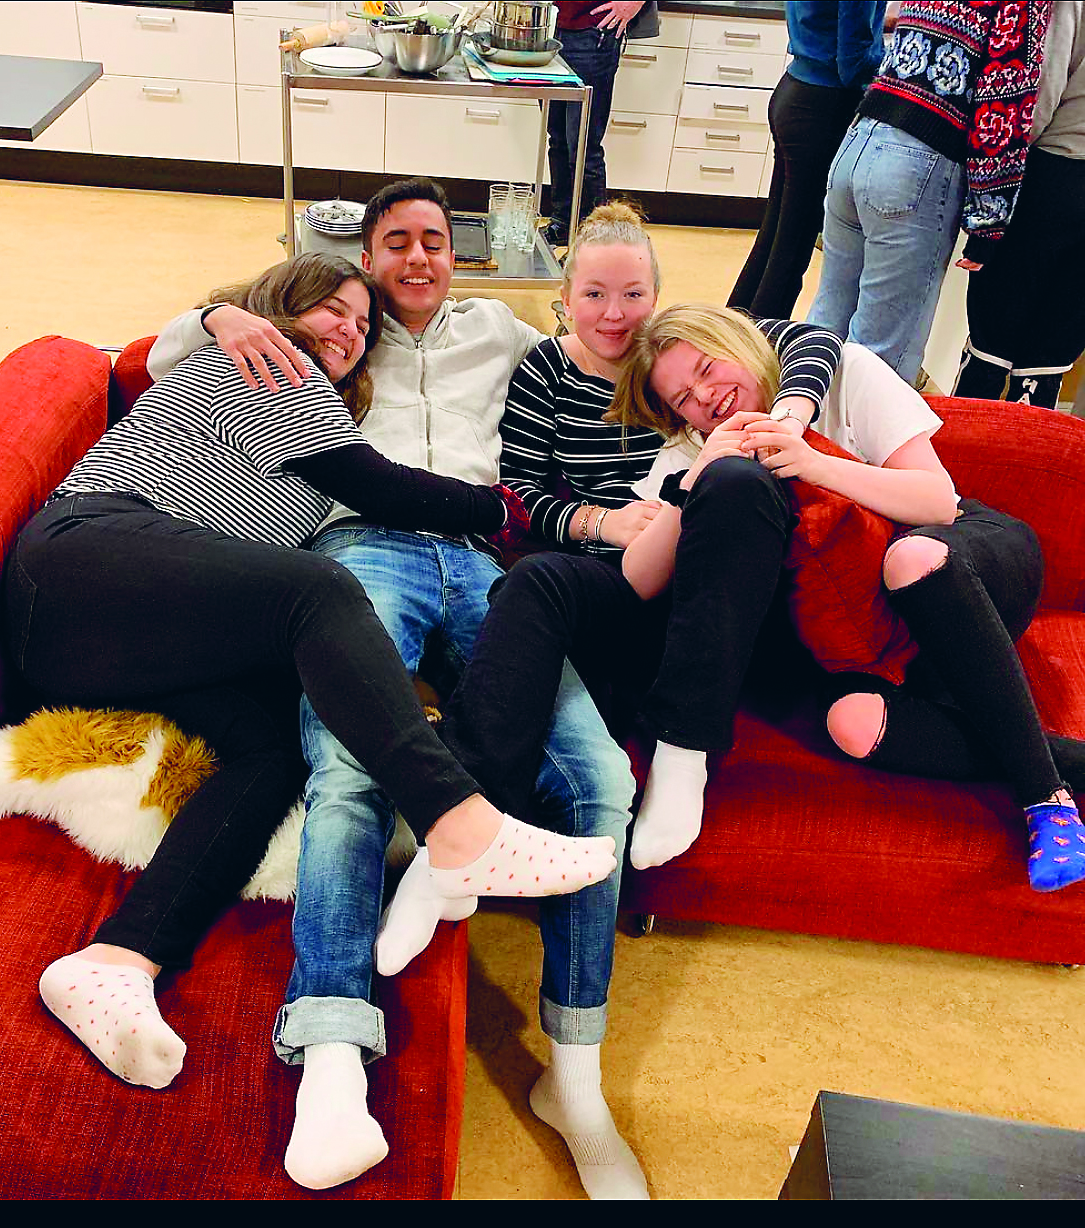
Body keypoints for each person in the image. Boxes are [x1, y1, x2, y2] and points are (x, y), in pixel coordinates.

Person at [3, 250, 616, 1147]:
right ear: (284, 307)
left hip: (121, 639)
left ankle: (117, 959)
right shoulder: (267, 361)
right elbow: (382, 486)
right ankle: (460, 827)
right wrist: (511, 512)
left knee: (272, 751)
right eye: (333, 308)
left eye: (362, 325)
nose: (348, 331)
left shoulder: (305, 407)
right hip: (83, 563)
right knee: (319, 589)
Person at [148, 178, 638, 1197]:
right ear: (365, 258)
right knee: (350, 769)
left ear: (457, 256)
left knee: (597, 774)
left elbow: (618, 334)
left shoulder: (502, 332)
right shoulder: (332, 334)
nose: (418, 257)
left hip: (488, 563)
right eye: (397, 242)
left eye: (435, 241)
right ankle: (331, 1050)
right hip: (358, 549)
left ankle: (575, 1078)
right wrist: (217, 312)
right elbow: (158, 358)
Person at [397, 209, 841, 898]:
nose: (614, 314)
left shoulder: (683, 355)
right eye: (595, 294)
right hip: (615, 567)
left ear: (656, 296)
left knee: (730, 484)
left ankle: (680, 754)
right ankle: (462, 835)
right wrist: (602, 522)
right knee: (537, 590)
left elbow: (812, 339)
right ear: (565, 298)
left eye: (633, 294)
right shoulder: (546, 368)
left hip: (719, 561)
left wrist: (789, 417)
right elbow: (519, 492)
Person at [606, 302, 1085, 892]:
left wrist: (811, 462)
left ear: (739, 344)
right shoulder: (695, 447)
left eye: (708, 368)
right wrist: (697, 476)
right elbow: (637, 577)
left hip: (953, 567)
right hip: (859, 637)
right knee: (852, 725)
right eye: (683, 398)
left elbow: (938, 502)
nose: (705, 396)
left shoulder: (842, 375)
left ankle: (1046, 796)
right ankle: (1070, 762)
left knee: (910, 560)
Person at [807, 0, 1053, 386]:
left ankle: (791, 419)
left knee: (824, 328)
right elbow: (1004, 101)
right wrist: (988, 220)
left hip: (860, 140)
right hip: (917, 164)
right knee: (880, 362)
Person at [952, 0, 1085, 409]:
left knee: (993, 339)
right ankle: (1030, 441)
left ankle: (966, 437)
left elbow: (1040, 90)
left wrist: (996, 173)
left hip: (1051, 175)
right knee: (1052, 353)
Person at [727, 0, 886, 319]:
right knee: (790, 254)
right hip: (822, 108)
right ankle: (760, 344)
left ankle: (729, 331)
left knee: (775, 239)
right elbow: (853, 63)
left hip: (795, 91)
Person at [541, 1, 659, 248]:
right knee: (558, 140)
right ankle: (563, 224)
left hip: (593, 32)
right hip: (550, 28)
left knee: (583, 147)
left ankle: (596, 242)